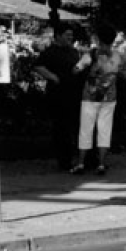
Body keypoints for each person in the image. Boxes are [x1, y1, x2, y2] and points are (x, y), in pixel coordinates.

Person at [31, 20, 84, 173]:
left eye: (71, 35)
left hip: (74, 93)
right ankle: (64, 160)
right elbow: (38, 66)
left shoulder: (73, 51)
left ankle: (79, 157)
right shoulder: (51, 52)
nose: (70, 38)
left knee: (75, 126)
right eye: (67, 35)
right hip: (58, 95)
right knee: (61, 128)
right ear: (58, 36)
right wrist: (52, 77)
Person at [73, 24, 122, 175]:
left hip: (90, 96)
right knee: (105, 131)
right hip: (109, 97)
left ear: (98, 39)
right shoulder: (117, 56)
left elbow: (75, 70)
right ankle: (101, 164)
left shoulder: (91, 55)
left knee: (85, 129)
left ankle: (81, 163)